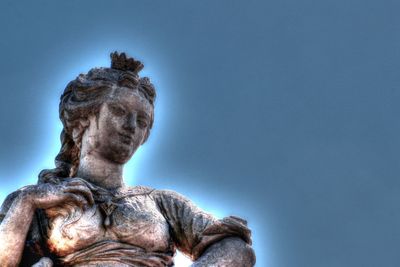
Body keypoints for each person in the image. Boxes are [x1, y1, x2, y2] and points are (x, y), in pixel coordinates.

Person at [0, 52, 255, 267]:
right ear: (82, 120)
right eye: (119, 111)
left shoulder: (162, 203)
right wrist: (27, 201)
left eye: (142, 121)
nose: (131, 126)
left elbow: (236, 247)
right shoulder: (37, 200)